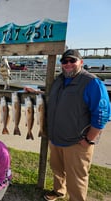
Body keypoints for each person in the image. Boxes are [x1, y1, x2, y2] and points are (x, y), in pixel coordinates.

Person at [43, 49, 111, 201]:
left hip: (77, 142)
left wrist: (89, 139)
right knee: (57, 169)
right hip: (56, 138)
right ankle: (59, 191)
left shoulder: (92, 82)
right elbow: (53, 100)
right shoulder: (59, 80)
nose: (68, 64)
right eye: (64, 61)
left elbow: (102, 114)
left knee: (77, 178)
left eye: (72, 61)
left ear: (81, 62)